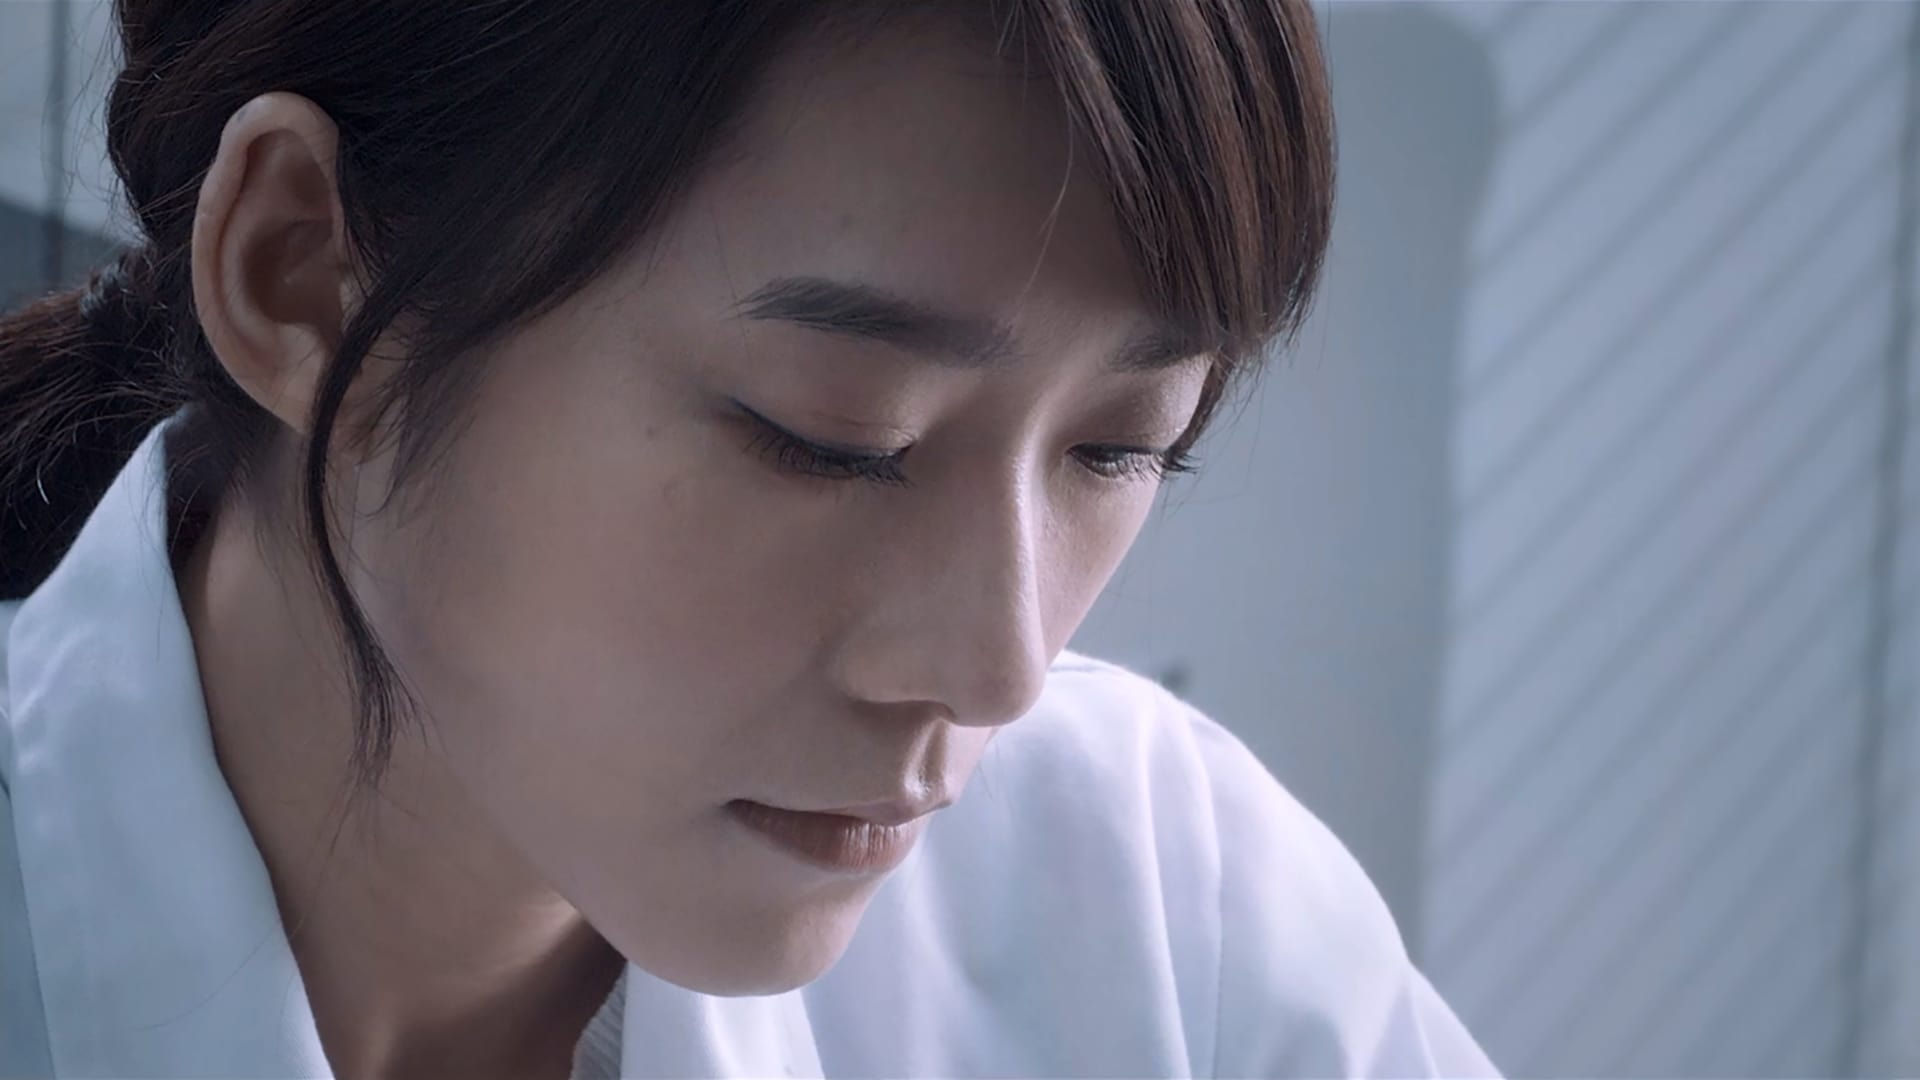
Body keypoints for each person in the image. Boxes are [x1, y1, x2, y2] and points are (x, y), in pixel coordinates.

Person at [0, 1, 1498, 1076]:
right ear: (302, 277)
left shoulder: (1171, 907)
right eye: (838, 435)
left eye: (1121, 446)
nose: (1000, 672)